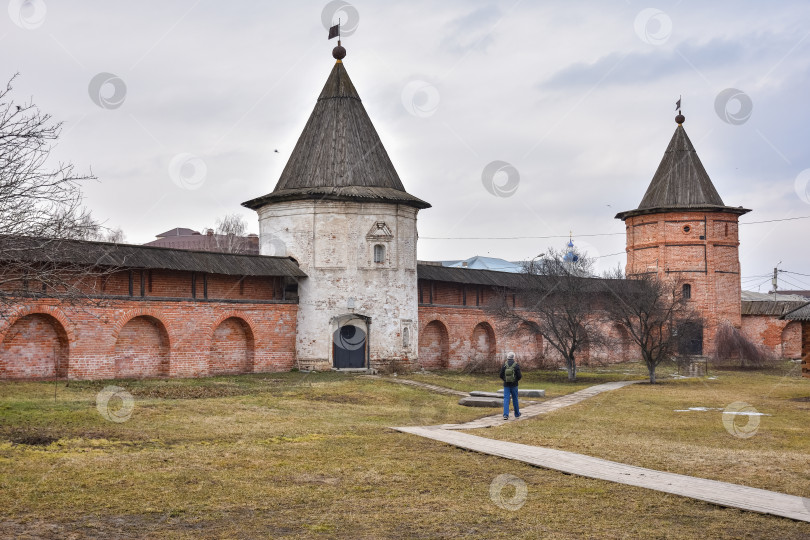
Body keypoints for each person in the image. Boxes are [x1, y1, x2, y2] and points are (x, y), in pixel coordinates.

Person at [499, 352, 522, 420]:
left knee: (506, 399)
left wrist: (505, 379)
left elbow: (500, 375)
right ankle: (517, 414)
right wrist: (515, 380)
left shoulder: (504, 365)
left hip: (506, 385)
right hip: (514, 385)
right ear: (513, 357)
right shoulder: (516, 365)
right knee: (515, 399)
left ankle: (505, 415)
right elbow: (519, 376)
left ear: (507, 357)